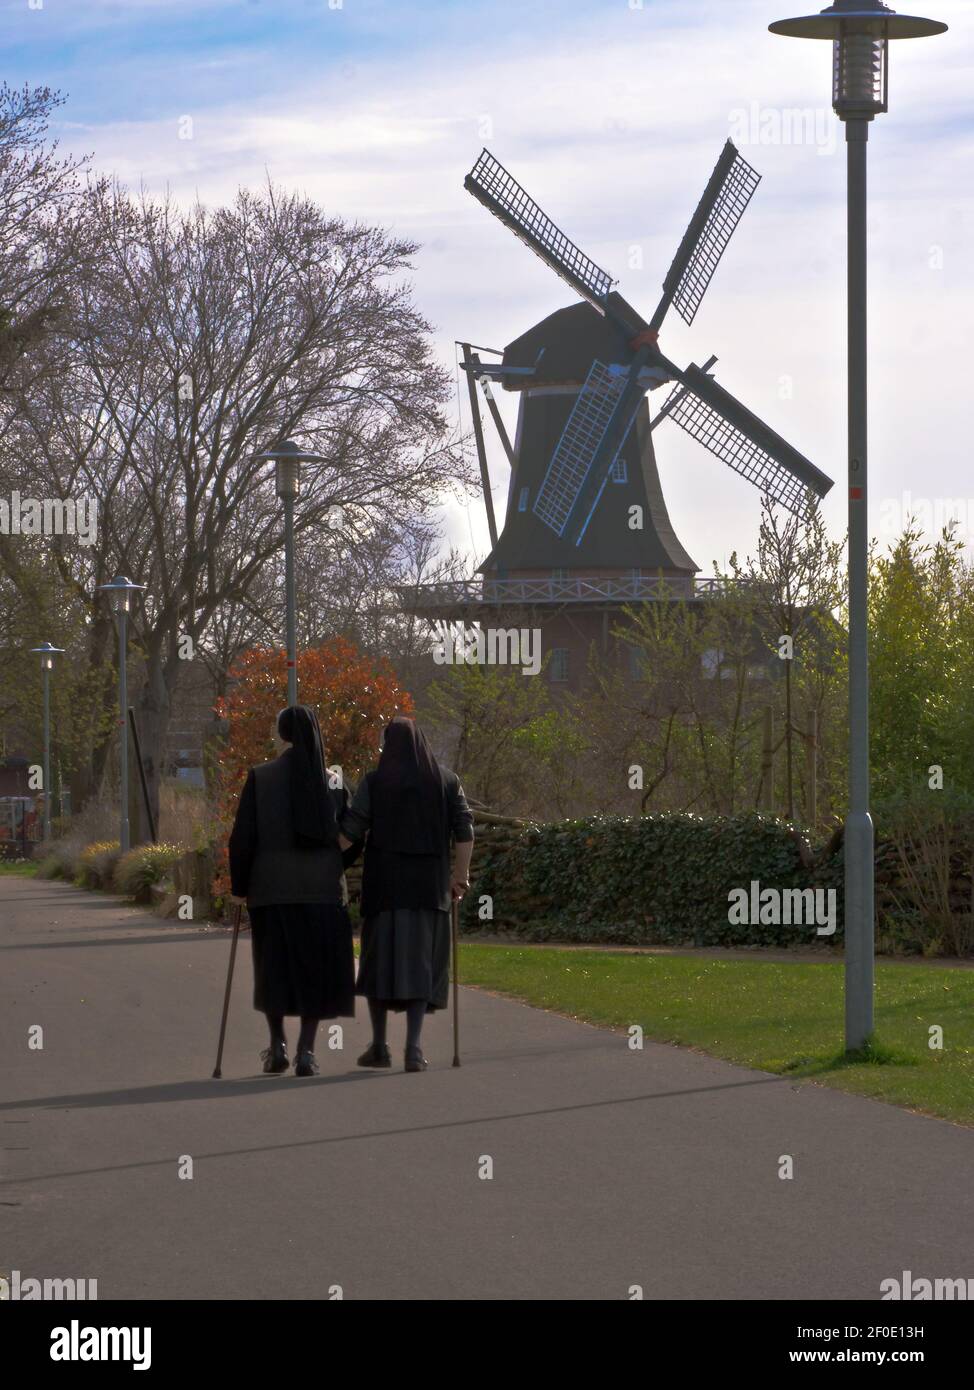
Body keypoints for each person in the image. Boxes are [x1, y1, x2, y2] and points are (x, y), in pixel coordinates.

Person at [338, 716, 473, 1073]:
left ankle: (380, 1046)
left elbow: (352, 829)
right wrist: (460, 876)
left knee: (378, 964)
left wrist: (320, 861)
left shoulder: (375, 781)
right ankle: (413, 1048)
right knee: (422, 966)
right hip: (429, 890)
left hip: (384, 889)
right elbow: (465, 829)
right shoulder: (446, 781)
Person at [228, 705, 357, 1077]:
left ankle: (277, 1044)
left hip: (270, 892)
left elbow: (243, 839)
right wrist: (335, 866)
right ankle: (305, 1051)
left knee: (274, 970)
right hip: (322, 894)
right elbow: (352, 836)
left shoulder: (261, 777)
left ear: (282, 735)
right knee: (315, 973)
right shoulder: (333, 783)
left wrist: (238, 888)